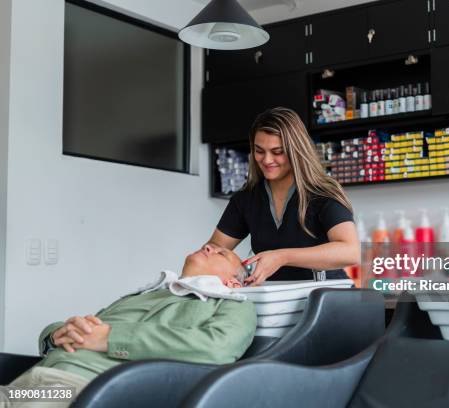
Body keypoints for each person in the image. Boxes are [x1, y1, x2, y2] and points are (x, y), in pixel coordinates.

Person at [0, 245, 256, 408]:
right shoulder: (146, 294)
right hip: (27, 381)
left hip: (71, 387)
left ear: (233, 283)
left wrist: (111, 338)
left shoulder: (233, 305)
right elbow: (92, 325)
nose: (210, 246)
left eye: (222, 253)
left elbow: (217, 348)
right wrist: (55, 333)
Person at [207, 107, 360, 285]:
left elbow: (350, 251)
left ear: (295, 150)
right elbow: (214, 250)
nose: (266, 160)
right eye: (259, 150)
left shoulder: (322, 194)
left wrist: (282, 257)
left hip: (329, 299)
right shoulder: (246, 199)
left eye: (277, 152)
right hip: (278, 300)